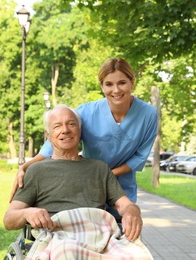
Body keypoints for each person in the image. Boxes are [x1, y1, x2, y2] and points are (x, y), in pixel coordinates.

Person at [10, 58, 158, 219]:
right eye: (109, 84)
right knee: (86, 224)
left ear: (132, 82)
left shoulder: (148, 114)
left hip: (121, 185)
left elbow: (139, 157)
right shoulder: (86, 112)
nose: (116, 90)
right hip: (86, 185)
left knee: (122, 228)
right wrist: (26, 167)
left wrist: (104, 176)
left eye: (122, 82)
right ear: (101, 86)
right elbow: (57, 140)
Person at [4, 105, 143, 241]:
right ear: (48, 135)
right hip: (57, 241)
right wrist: (27, 213)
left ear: (80, 130)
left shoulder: (100, 169)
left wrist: (132, 211)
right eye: (57, 126)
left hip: (98, 239)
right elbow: (9, 219)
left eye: (71, 124)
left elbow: (124, 204)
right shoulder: (37, 171)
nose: (65, 130)